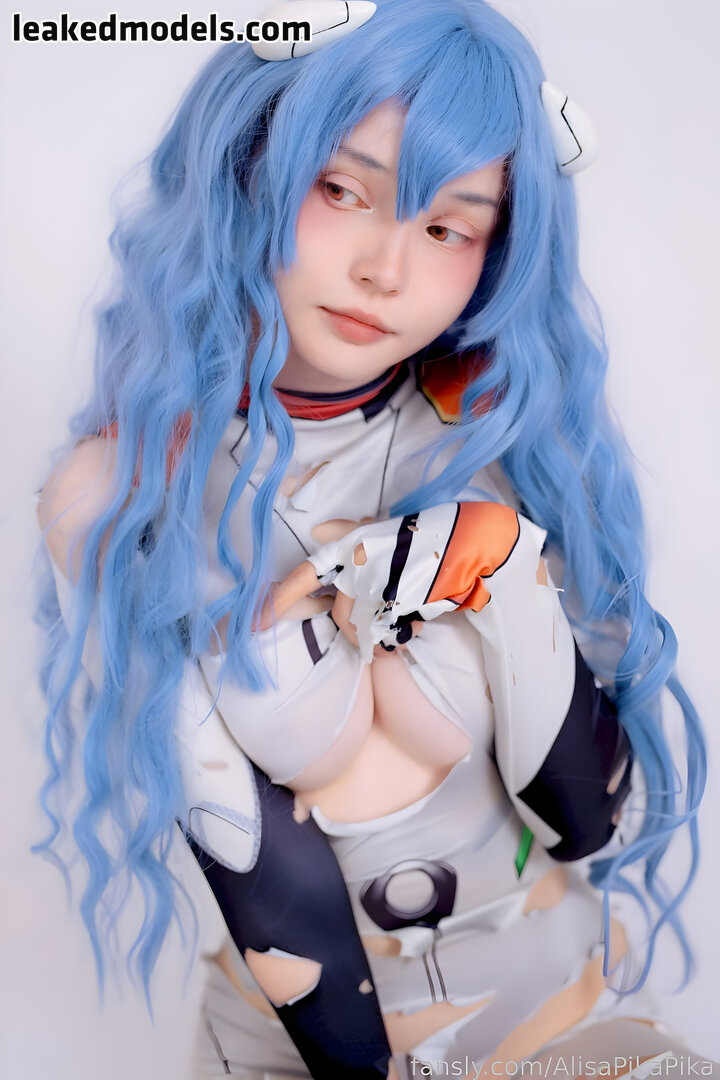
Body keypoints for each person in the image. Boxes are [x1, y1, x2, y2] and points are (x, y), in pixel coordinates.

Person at [35, 1, 711, 1077]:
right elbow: (239, 832)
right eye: (342, 190)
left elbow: (595, 818)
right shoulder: (123, 490)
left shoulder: (494, 435)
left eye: (447, 227)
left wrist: (494, 561)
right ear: (247, 170)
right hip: (294, 1048)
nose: (384, 270)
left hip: (565, 1024)